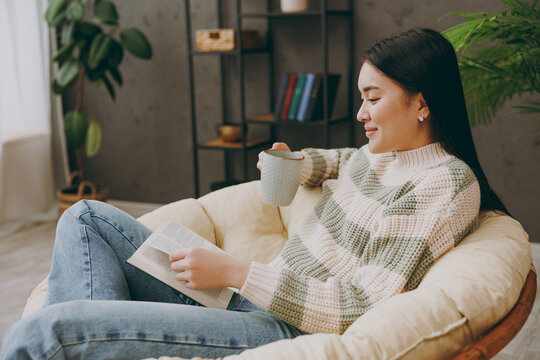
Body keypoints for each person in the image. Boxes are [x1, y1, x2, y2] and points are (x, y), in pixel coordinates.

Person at [0, 27, 510, 359]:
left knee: (42, 333)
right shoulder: (380, 156)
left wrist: (235, 271)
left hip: (280, 328)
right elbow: (332, 161)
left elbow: (360, 306)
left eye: (372, 99)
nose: (360, 113)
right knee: (86, 217)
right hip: (245, 297)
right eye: (360, 98)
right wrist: (289, 160)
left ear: (421, 103)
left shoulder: (444, 184)